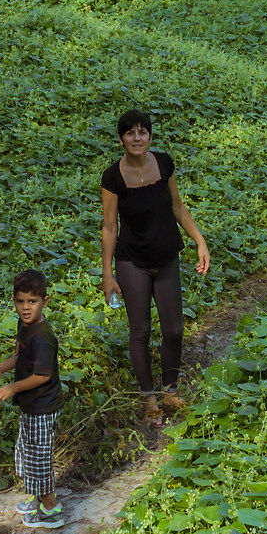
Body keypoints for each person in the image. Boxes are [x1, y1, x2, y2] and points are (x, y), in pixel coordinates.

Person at [99, 109, 210, 428]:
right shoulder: (113, 177)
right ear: (121, 139)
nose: (137, 138)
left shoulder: (163, 163)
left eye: (142, 132)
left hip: (166, 258)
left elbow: (177, 205)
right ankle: (149, 399)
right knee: (141, 331)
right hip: (132, 261)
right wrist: (107, 274)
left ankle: (170, 390)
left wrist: (199, 240)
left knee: (174, 330)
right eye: (130, 133)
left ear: (149, 136)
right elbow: (109, 227)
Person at [0, 268, 66, 528]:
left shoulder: (43, 337)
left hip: (43, 406)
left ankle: (51, 510)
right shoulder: (24, 325)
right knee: (27, 453)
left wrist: (13, 388)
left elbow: (41, 375)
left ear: (45, 301)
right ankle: (39, 499)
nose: (25, 308)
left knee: (39, 457)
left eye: (32, 301)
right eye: (20, 301)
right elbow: (20, 356)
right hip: (31, 406)